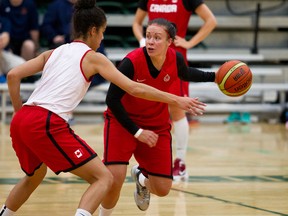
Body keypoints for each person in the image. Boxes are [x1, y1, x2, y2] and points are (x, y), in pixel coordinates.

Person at [0, 2, 206, 216]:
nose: (103, 38)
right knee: (104, 178)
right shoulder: (94, 58)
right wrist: (177, 99)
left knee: (33, 176)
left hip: (22, 120)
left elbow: (14, 75)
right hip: (46, 121)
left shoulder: (54, 52)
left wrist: (18, 112)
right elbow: (134, 88)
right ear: (93, 31)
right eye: (103, 32)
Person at [99, 18, 216, 215]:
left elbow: (186, 73)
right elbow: (111, 100)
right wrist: (136, 132)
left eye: (157, 38)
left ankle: (141, 178)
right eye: (148, 37)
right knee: (114, 180)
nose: (150, 42)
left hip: (156, 124)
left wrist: (216, 76)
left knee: (162, 189)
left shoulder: (175, 58)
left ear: (170, 41)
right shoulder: (130, 62)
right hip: (123, 123)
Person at [132, 0, 217, 181]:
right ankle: (149, 163)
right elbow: (136, 23)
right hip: (151, 60)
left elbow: (211, 20)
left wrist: (190, 42)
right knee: (149, 108)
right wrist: (142, 39)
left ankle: (180, 162)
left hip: (174, 61)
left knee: (177, 111)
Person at [40, 0, 106, 88]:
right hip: (63, 43)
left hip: (84, 43)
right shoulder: (56, 5)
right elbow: (46, 25)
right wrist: (54, 36)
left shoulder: (89, 11)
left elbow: (15, 74)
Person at [0, 16, 25, 83]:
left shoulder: (3, 20)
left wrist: (2, 41)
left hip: (3, 53)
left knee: (21, 64)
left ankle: (6, 85)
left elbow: (4, 38)